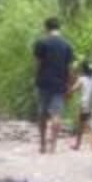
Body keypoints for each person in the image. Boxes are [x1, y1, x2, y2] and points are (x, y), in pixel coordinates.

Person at [32, 17, 74, 154]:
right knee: (57, 114)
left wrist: (36, 78)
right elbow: (69, 68)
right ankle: (53, 146)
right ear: (59, 28)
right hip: (60, 83)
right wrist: (69, 85)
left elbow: (38, 64)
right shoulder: (67, 45)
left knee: (42, 113)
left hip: (44, 82)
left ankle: (43, 144)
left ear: (46, 28)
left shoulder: (41, 43)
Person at [68, 60, 92, 151]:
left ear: (83, 70)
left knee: (81, 124)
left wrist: (68, 90)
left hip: (85, 104)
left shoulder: (82, 79)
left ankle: (77, 145)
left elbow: (74, 89)